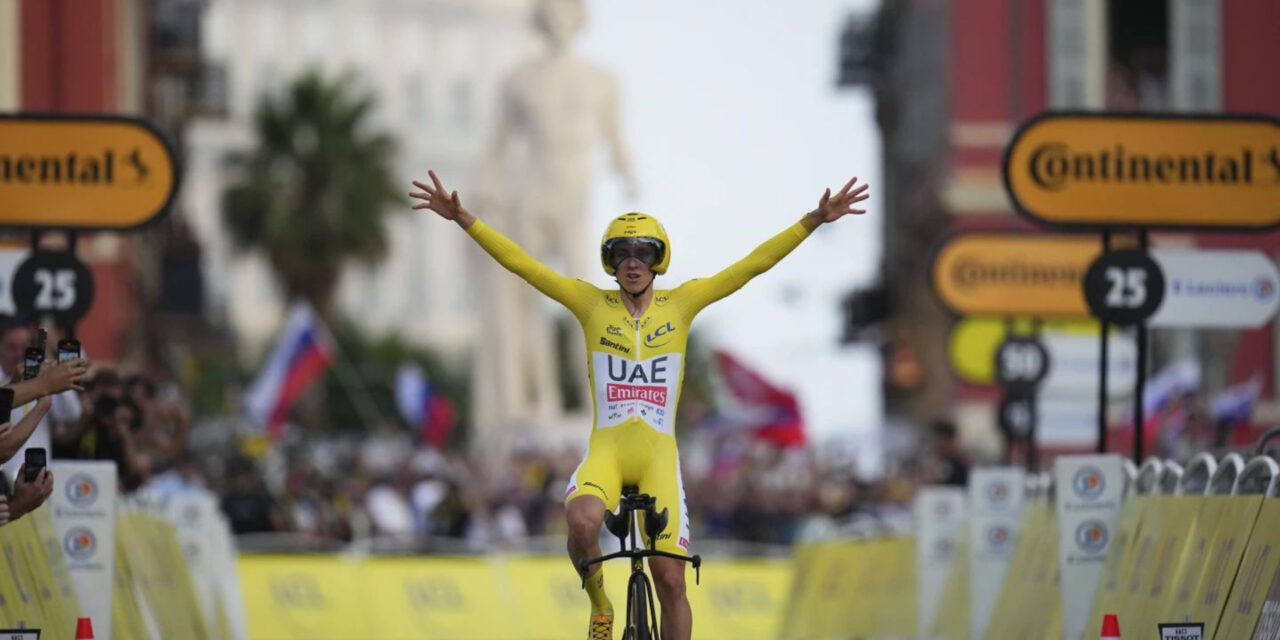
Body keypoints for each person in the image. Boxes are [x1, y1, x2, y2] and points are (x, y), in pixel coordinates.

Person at [410, 169, 870, 640]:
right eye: (621, 253)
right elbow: (525, 266)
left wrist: (811, 221)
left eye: (643, 252)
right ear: (610, 263)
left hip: (658, 459)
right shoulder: (590, 304)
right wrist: (465, 219)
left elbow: (750, 266)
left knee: (670, 580)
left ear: (659, 260)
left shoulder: (682, 303)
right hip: (607, 453)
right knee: (582, 519)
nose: (633, 262)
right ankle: (600, 604)